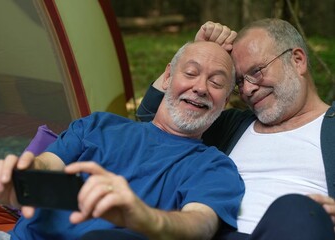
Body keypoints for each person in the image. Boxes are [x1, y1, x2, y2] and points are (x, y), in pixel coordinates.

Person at [0, 41, 245, 240]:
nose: (200, 87)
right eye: (190, 73)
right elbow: (47, 164)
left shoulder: (214, 166)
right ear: (167, 77)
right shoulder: (98, 126)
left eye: (216, 82)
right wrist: (20, 178)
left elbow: (200, 223)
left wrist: (145, 218)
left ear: (225, 101)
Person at [137, 19, 335, 239]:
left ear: (297, 60)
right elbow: (153, 118)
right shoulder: (233, 125)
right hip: (209, 231)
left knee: (299, 211)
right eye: (240, 82)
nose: (248, 89)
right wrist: (201, 53)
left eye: (257, 71)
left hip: (295, 228)